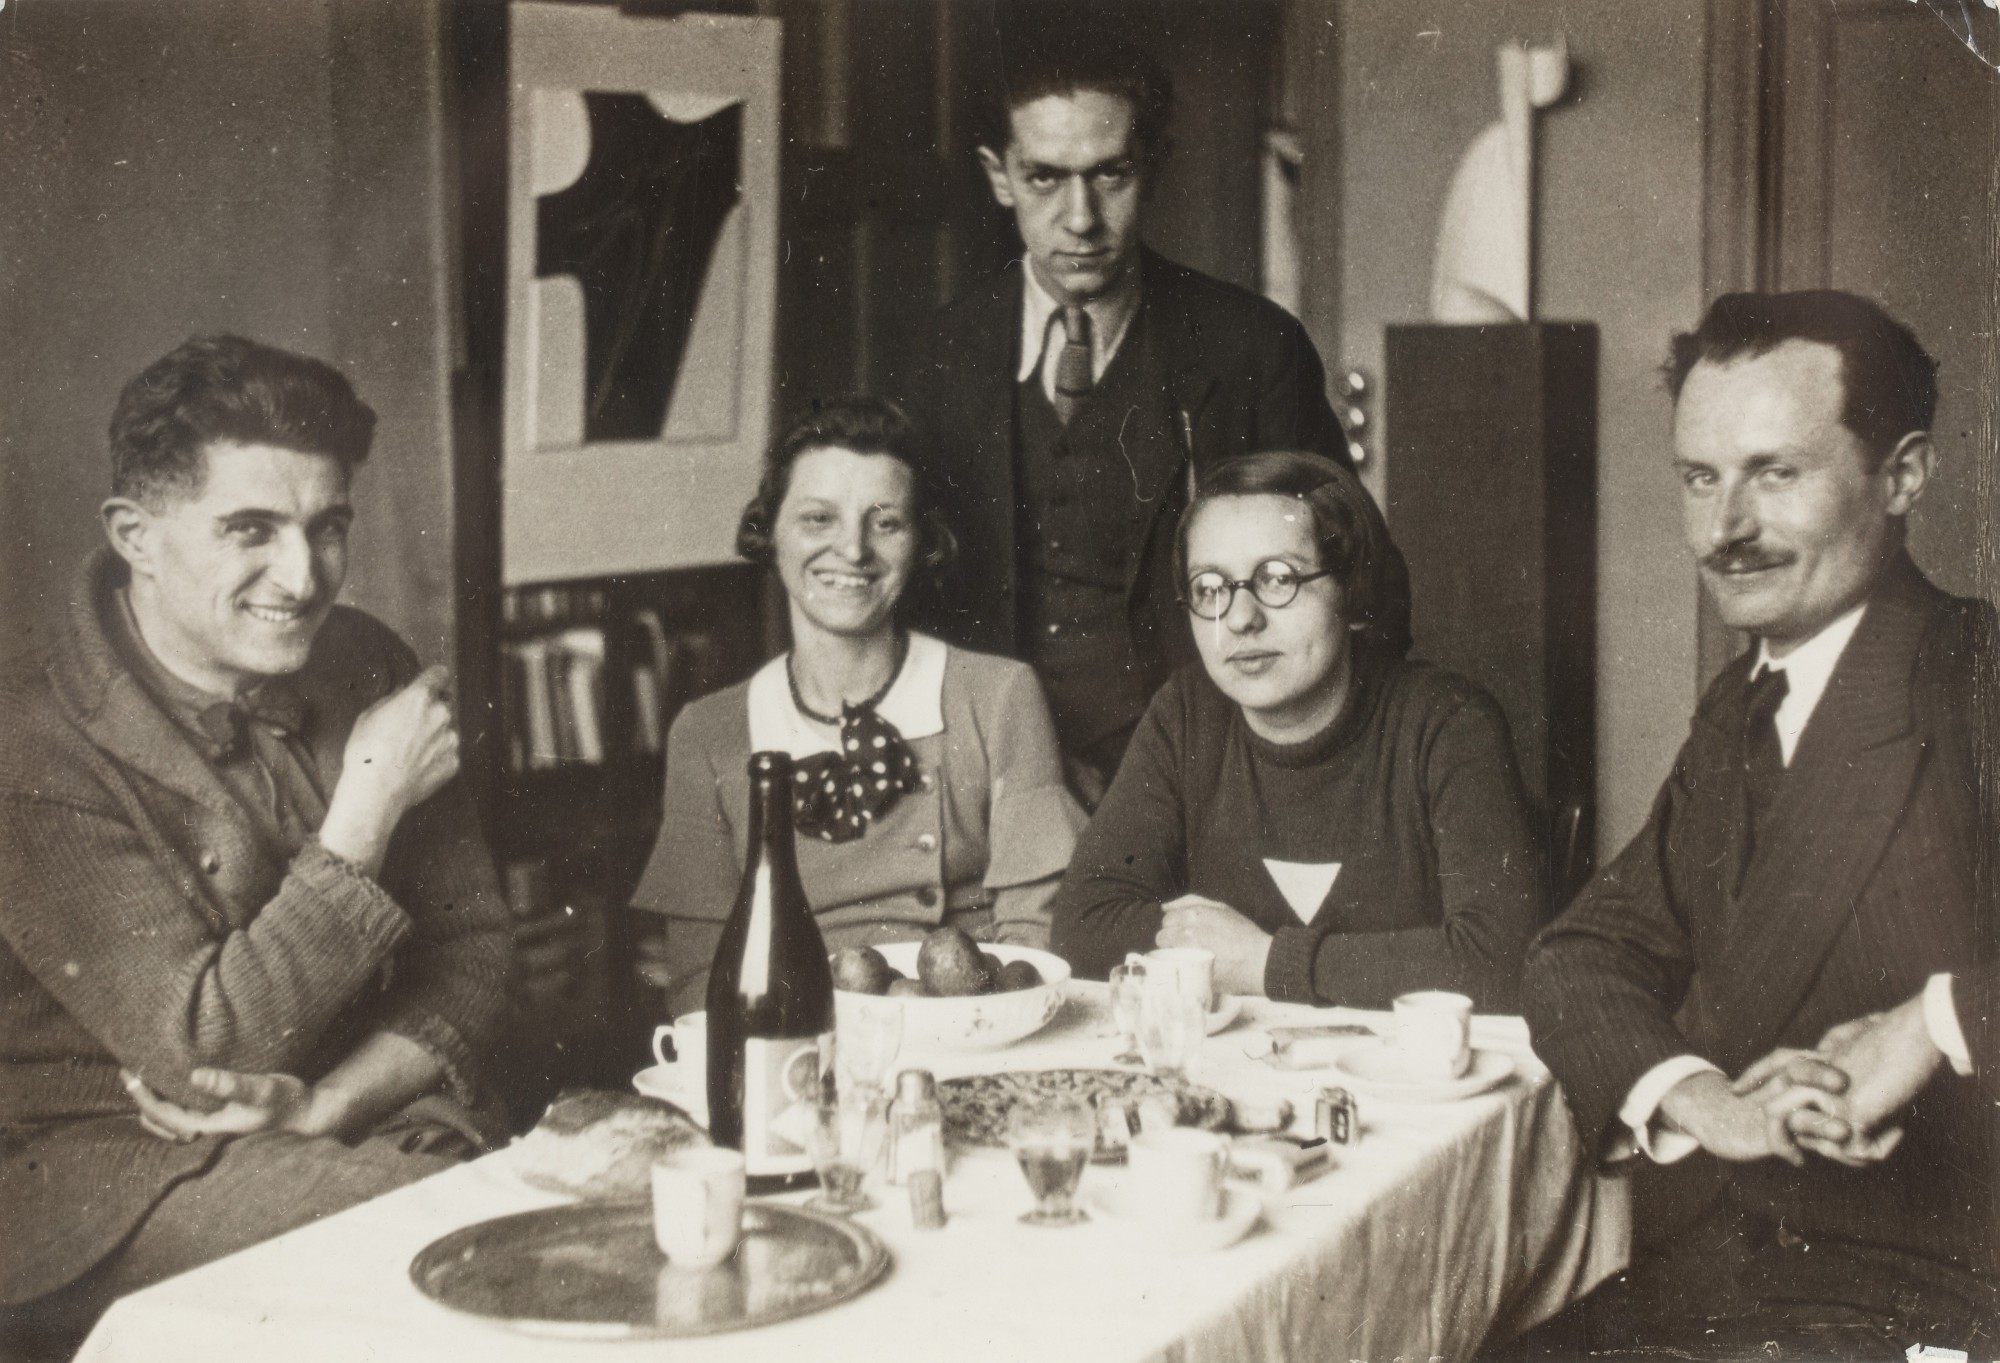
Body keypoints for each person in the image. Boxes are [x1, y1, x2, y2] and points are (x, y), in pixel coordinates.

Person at [0, 336, 510, 1351]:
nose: (303, 575)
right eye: (251, 529)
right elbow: (206, 1055)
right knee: (457, 1255)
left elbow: (477, 948)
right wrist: (362, 811)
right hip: (104, 1174)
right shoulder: (33, 743)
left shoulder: (364, 659)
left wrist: (329, 1103)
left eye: (328, 527)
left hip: (347, 1123)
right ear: (135, 535)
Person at [1519, 291, 1998, 1355]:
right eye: (1700, 477)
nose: (1722, 530)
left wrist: (1937, 1019)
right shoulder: (1740, 708)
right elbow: (1582, 951)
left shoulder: (1978, 681)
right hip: (1747, 1266)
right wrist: (1699, 1100)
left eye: (1774, 473)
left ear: (1904, 474)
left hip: (1951, 1295)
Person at [893, 25, 1371, 801]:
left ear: (1152, 167)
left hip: (1203, 774)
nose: (1080, 218)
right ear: (999, 176)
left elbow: (1355, 577)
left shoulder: (1251, 348)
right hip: (990, 778)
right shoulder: (937, 356)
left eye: (1108, 175)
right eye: (1045, 178)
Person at [634, 398, 1084, 1016]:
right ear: (770, 532)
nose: (853, 550)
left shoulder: (998, 694)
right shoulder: (708, 733)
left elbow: (1035, 953)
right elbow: (699, 988)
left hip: (967, 1031)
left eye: (886, 522)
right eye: (818, 518)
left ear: (922, 541)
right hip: (796, 1042)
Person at [1049, 452, 1538, 1011]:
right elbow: (1083, 926)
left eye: (1278, 578)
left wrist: (1264, 962)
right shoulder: (1187, 715)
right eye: (1210, 588)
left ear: (1353, 593)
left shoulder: (1447, 722)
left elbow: (1497, 961)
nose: (1240, 618)